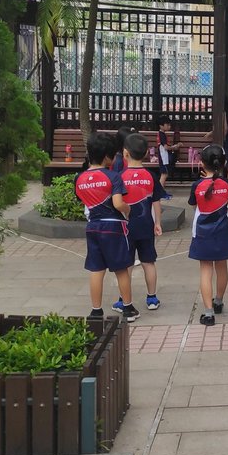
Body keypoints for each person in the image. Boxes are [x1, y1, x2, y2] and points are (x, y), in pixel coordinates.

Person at [74, 132, 137, 323]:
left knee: (96, 269)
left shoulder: (80, 178)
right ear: (107, 157)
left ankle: (96, 311)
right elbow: (118, 204)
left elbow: (82, 200)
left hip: (93, 226)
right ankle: (127, 308)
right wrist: (129, 209)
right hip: (114, 227)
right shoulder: (113, 177)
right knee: (121, 269)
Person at [114, 132, 168, 313]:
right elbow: (156, 202)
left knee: (126, 264)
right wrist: (158, 222)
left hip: (125, 227)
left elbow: (117, 204)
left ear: (125, 153)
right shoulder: (151, 176)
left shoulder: (119, 177)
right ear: (146, 153)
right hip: (146, 225)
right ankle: (152, 298)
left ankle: (123, 299)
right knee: (148, 262)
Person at [188, 143, 228, 326]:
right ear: (223, 163)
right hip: (224, 230)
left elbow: (194, 205)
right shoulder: (227, 184)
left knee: (205, 270)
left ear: (202, 163)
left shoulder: (197, 185)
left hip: (202, 232)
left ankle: (208, 313)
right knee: (222, 266)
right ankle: (219, 301)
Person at [156, 116, 181, 190]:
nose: (169, 126)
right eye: (167, 125)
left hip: (163, 156)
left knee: (164, 174)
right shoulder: (162, 134)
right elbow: (166, 147)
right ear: (161, 125)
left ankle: (160, 191)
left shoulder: (161, 134)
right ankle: (160, 191)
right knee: (164, 174)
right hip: (164, 157)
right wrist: (175, 146)